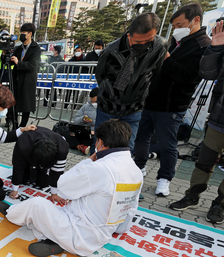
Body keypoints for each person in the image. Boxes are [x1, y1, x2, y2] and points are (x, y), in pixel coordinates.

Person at [0, 119, 143, 257]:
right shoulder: (136, 171)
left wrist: (88, 161)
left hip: (77, 233)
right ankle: (55, 242)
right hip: (101, 236)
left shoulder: (100, 168)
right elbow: (131, 210)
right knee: (58, 210)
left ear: (101, 142)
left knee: (37, 204)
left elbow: (63, 186)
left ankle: (12, 214)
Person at [134, 3, 210, 197]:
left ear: (196, 20)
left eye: (179, 24)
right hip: (150, 101)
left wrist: (166, 58)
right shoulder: (178, 42)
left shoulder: (203, 45)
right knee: (142, 138)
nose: (176, 29)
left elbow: (189, 76)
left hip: (172, 106)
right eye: (174, 26)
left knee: (168, 144)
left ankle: (164, 179)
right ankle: (138, 169)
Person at [169, 19, 224, 224]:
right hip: (220, 120)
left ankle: (219, 205)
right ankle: (192, 195)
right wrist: (216, 48)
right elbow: (208, 73)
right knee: (204, 161)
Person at [93, 12, 168, 153]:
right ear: (129, 35)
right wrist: (111, 93)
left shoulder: (160, 47)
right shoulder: (111, 50)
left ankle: (121, 175)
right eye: (139, 42)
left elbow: (155, 73)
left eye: (149, 40)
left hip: (134, 108)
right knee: (100, 148)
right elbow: (100, 76)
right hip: (108, 108)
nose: (143, 45)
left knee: (127, 149)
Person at [9, 126, 69, 203]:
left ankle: (40, 170)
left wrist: (54, 193)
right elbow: (18, 166)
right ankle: (30, 170)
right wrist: (15, 190)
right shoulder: (23, 144)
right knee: (22, 180)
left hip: (44, 157)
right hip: (29, 153)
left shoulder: (62, 147)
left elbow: (57, 171)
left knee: (43, 183)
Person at [12, 23, 40, 128]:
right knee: (13, 103)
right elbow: (11, 61)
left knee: (26, 105)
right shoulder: (18, 48)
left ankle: (22, 125)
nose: (22, 35)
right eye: (21, 33)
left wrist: (18, 62)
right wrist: (5, 55)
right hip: (17, 79)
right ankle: (14, 125)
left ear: (30, 34)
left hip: (28, 80)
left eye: (24, 33)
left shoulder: (36, 48)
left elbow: (33, 65)